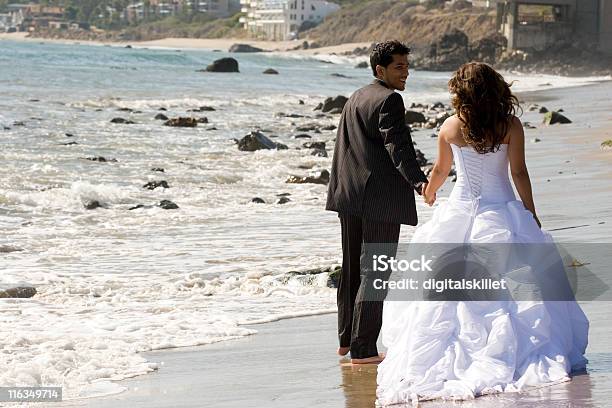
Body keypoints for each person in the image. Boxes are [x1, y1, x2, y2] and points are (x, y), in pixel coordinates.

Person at [376, 62, 589, 404]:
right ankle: (513, 353)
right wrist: (530, 211)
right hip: (501, 211)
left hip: (459, 212)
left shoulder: (450, 127)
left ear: (461, 93)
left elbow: (442, 170)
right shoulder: (509, 125)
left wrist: (430, 191)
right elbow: (518, 172)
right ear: (494, 89)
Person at [326, 40, 429, 364]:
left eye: (407, 66)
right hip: (378, 199)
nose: (406, 73)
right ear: (379, 69)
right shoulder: (389, 100)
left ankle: (346, 339)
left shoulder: (356, 97)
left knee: (353, 268)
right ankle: (364, 349)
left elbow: (346, 147)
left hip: (348, 194)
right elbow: (398, 147)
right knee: (376, 270)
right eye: (399, 67)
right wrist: (419, 181)